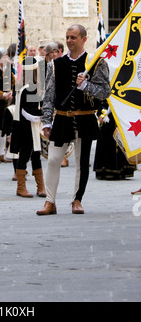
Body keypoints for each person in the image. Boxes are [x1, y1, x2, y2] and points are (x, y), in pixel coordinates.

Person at [36, 24, 111, 216]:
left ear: (84, 39)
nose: (69, 41)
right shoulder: (56, 64)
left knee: (81, 161)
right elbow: (49, 96)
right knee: (53, 160)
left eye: (73, 37)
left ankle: (77, 199)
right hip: (61, 119)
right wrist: (46, 121)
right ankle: (50, 202)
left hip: (85, 119)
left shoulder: (96, 63)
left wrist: (86, 85)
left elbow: (105, 93)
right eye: (67, 37)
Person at [10, 56, 46, 198]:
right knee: (25, 155)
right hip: (27, 127)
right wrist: (44, 115)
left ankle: (40, 187)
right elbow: (28, 111)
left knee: (35, 155)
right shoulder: (29, 88)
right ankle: (21, 188)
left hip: (28, 126)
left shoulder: (25, 87)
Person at [93, 103, 136, 180]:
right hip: (108, 116)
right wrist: (101, 114)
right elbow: (101, 100)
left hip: (122, 114)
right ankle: (106, 170)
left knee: (122, 141)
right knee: (107, 141)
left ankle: (124, 170)